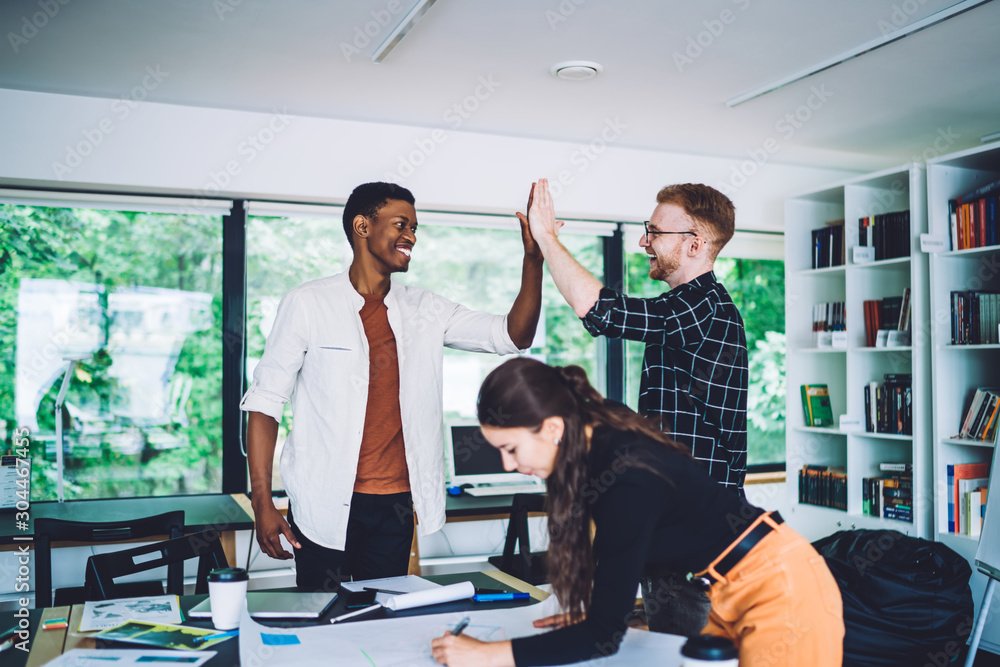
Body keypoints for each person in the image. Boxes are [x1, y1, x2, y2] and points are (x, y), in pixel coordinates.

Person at [431, 358, 843, 667]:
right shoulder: (594, 443)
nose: (507, 465)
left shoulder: (625, 474)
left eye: (511, 449)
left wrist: (487, 655)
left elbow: (603, 638)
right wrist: (592, 614)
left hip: (779, 587)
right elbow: (612, 565)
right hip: (728, 590)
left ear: (553, 429)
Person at [241, 182, 543, 591]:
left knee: (386, 621)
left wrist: (533, 259)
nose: (412, 237)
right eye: (401, 224)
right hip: (321, 503)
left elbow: (513, 335)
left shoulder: (426, 308)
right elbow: (265, 402)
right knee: (321, 623)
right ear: (362, 226)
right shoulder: (308, 303)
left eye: (415, 228)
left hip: (395, 507)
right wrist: (262, 502)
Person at [523, 178, 748, 635]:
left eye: (655, 231)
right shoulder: (685, 308)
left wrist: (547, 239)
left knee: (690, 660)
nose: (644, 240)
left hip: (697, 535)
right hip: (676, 522)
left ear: (694, 244)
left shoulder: (704, 308)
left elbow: (604, 311)